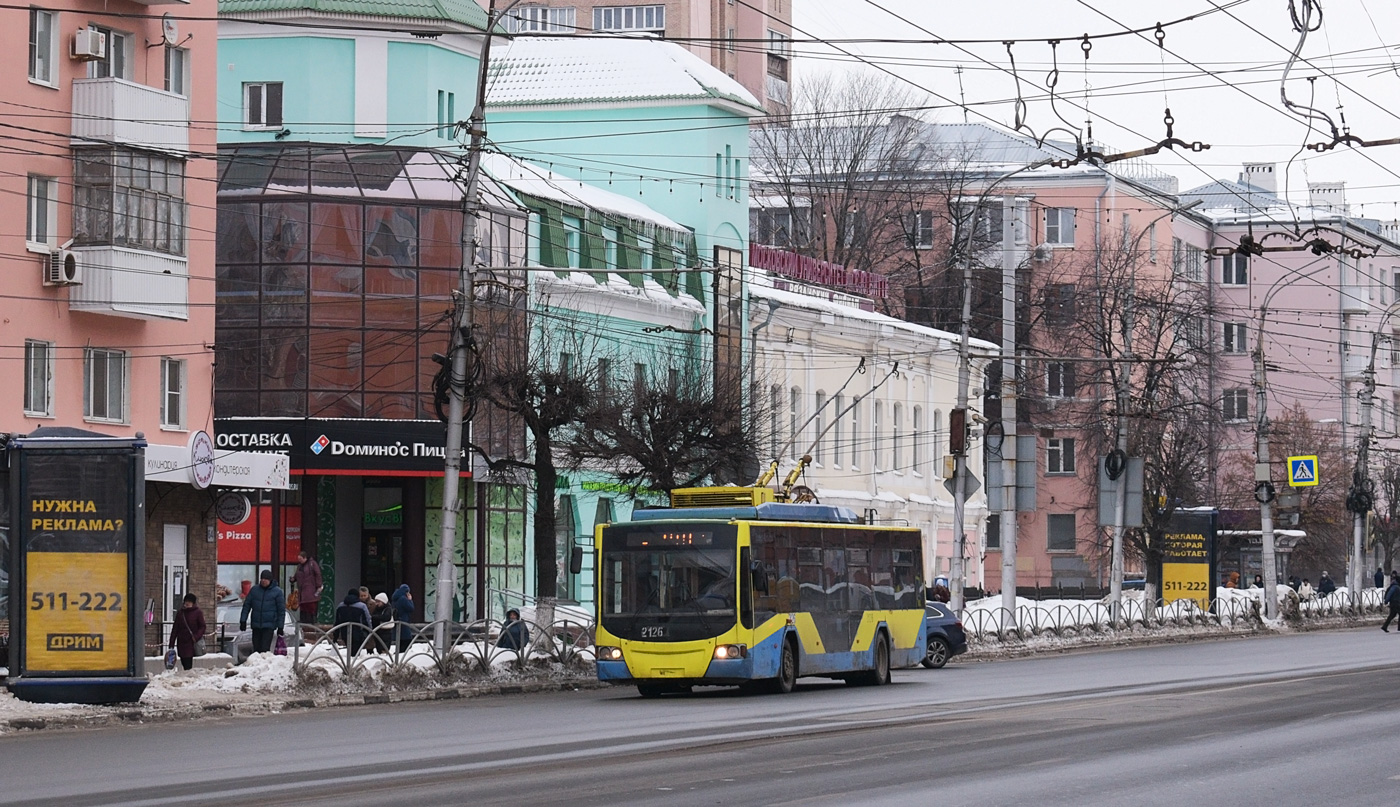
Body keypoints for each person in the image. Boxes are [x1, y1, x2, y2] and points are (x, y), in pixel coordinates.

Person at [239, 569, 286, 655]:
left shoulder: (277, 592)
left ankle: (263, 665)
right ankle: (256, 666)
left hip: (269, 625)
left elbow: (281, 611)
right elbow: (247, 606)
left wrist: (280, 627)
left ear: (270, 580)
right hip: (256, 625)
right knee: (256, 649)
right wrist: (243, 620)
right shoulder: (254, 590)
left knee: (264, 649)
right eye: (262, 579)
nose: (263, 581)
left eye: (266, 579)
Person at [168, 592, 206, 671]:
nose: (187, 603)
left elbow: (202, 626)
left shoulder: (197, 612)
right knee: (183, 660)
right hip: (181, 641)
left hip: (191, 641)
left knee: (188, 662)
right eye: (186, 601)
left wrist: (196, 637)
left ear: (193, 603)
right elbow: (175, 628)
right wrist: (171, 643)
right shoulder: (180, 613)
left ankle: (188, 676)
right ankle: (187, 675)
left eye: (189, 601)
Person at [334, 588, 372, 654]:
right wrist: (370, 630)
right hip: (359, 632)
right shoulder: (362, 606)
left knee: (350, 649)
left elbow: (337, 621)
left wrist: (336, 635)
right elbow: (367, 619)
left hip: (345, 631)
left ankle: (349, 662)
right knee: (356, 652)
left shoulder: (340, 606)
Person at [291, 550, 323, 625]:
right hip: (302, 589)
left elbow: (318, 574)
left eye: (300, 559)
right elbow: (297, 575)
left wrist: (318, 585)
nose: (299, 561)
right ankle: (304, 620)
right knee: (303, 605)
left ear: (304, 558)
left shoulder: (312, 564)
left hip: (310, 588)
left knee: (309, 604)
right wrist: (293, 579)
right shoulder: (299, 566)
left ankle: (310, 620)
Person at [391, 584, 415, 653]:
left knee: (400, 638)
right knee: (407, 639)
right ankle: (401, 653)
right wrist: (410, 600)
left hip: (398, 619)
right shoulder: (403, 599)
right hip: (404, 620)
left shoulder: (395, 597)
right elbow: (411, 608)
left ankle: (399, 652)